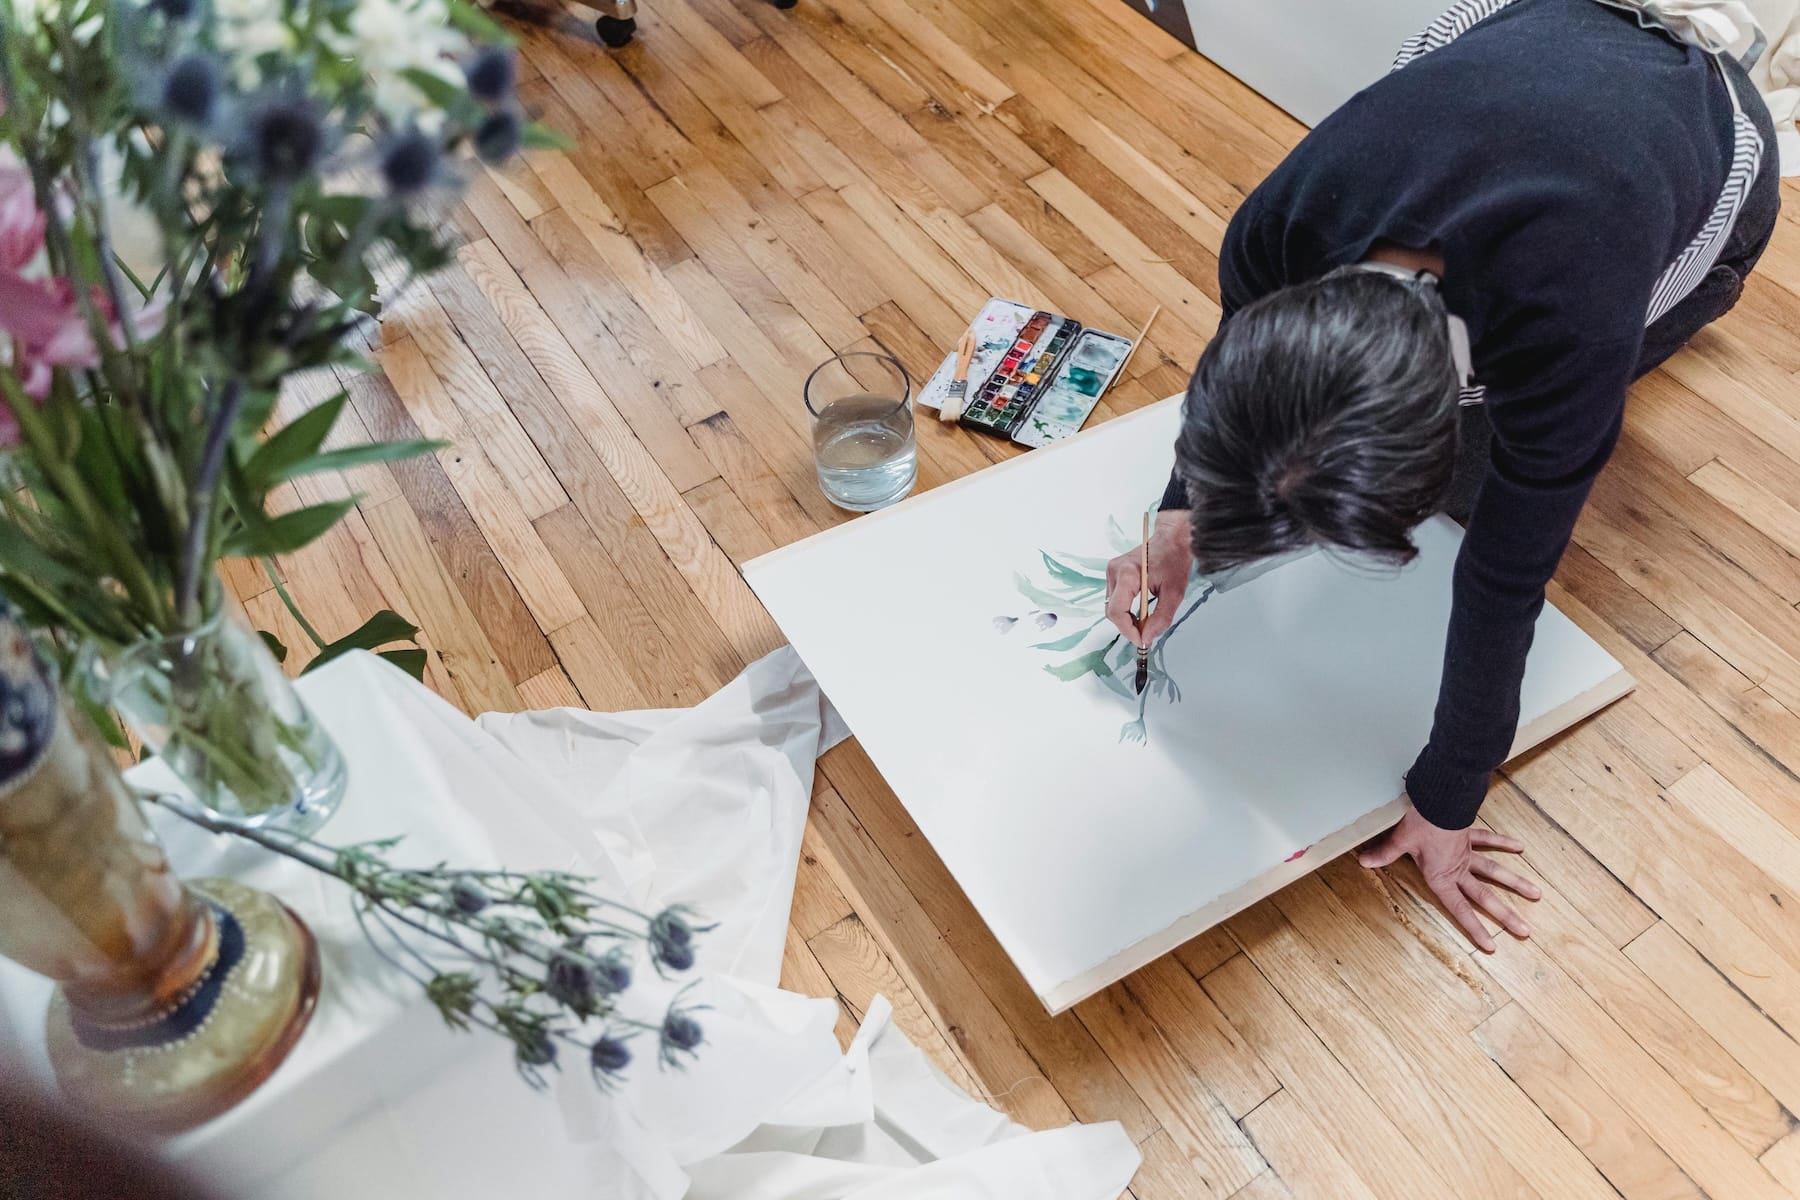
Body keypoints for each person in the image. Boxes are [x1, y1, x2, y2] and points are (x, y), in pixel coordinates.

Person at [1104, 0, 1782, 952]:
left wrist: (1450, 794)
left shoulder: (1565, 332)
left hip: (1706, 146)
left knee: (1480, 501)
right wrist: (1177, 519)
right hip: (1531, 29)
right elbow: (1233, 392)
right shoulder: (1278, 227)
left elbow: (1508, 577)